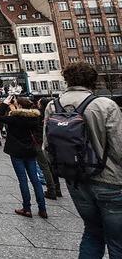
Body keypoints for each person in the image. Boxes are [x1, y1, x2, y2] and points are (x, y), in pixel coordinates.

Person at [44, 63, 122, 258]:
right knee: (117, 241)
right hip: (109, 180)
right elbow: (119, 148)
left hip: (75, 179)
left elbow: (47, 148)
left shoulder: (53, 105)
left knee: (92, 233)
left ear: (67, 80)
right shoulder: (105, 104)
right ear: (93, 80)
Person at [0, 95, 47, 219]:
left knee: (23, 180)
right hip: (30, 150)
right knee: (35, 180)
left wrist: (4, 104)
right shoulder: (34, 118)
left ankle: (27, 208)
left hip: (17, 151)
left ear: (19, 105)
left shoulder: (14, 118)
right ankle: (42, 209)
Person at [33, 97, 59, 200]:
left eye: (39, 102)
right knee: (52, 165)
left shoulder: (38, 114)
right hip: (52, 142)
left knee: (45, 166)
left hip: (40, 142)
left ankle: (51, 190)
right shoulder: (53, 114)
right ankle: (57, 188)